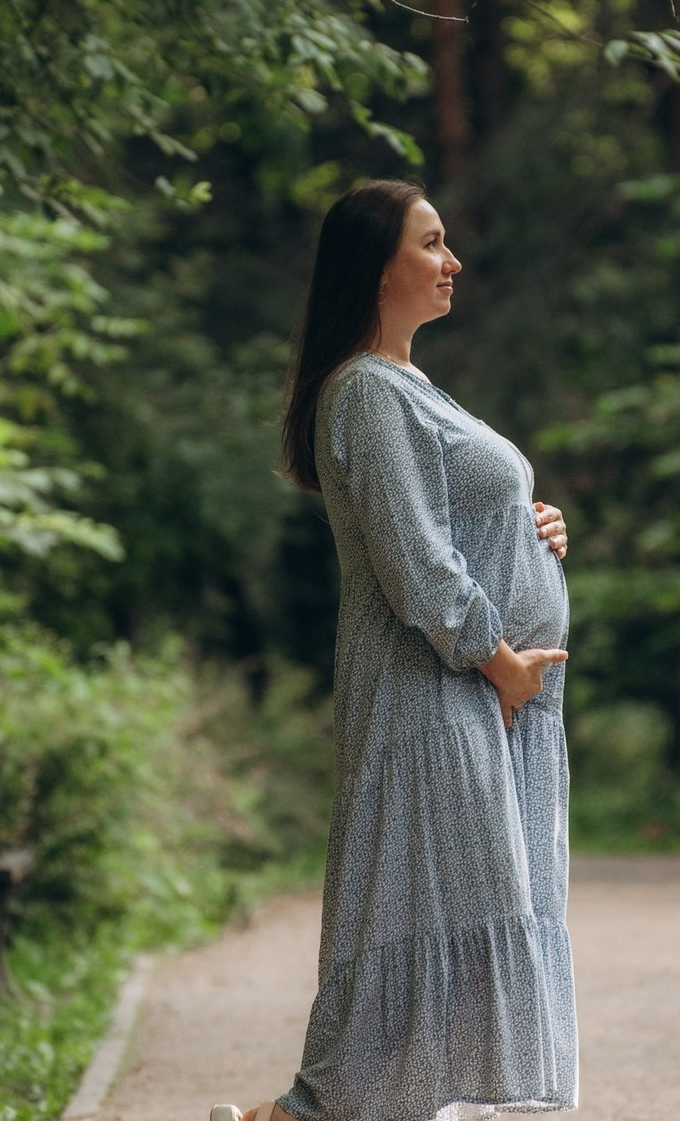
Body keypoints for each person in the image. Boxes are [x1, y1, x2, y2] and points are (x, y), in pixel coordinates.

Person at [214, 179, 577, 1121]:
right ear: (378, 270)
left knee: (450, 949)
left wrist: (532, 524)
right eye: (431, 243)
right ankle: (290, 1118)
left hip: (476, 703)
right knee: (421, 933)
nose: (452, 261)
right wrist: (500, 663)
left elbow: (454, 516)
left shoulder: (409, 387)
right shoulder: (367, 392)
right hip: (435, 699)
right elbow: (415, 562)